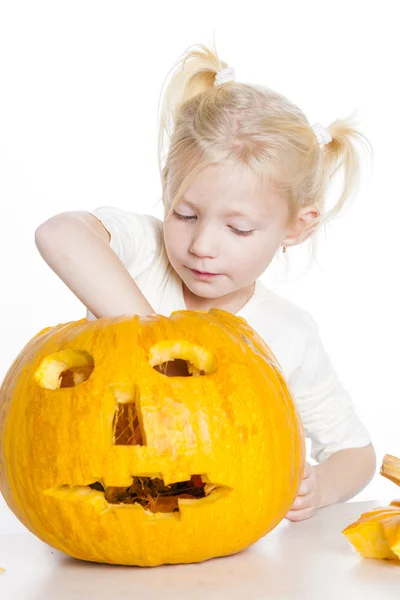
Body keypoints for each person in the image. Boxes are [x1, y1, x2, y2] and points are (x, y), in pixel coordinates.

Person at [35, 42, 376, 522]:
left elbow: (357, 454)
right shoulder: (144, 252)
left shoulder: (289, 333)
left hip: (228, 555)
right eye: (185, 213)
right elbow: (59, 232)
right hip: (103, 505)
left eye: (237, 229)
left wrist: (321, 487)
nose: (201, 245)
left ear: (296, 227)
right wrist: (152, 339)